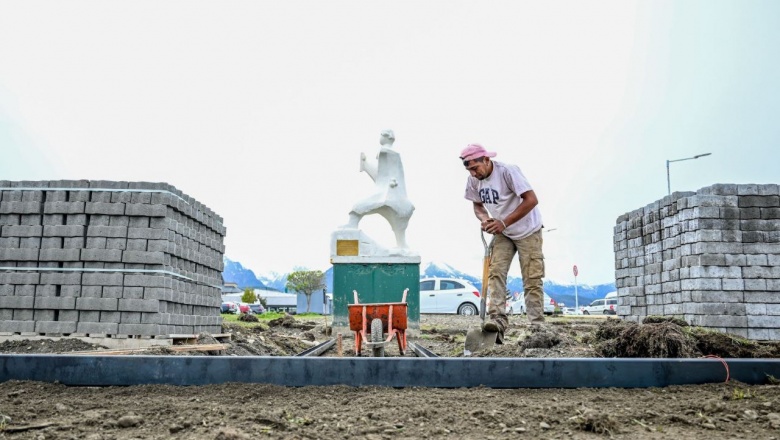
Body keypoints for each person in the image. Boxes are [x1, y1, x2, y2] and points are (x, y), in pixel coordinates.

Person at [460, 143, 545, 337]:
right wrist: (485, 219)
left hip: (528, 230)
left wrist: (504, 222)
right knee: (495, 273)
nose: (473, 173)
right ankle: (497, 320)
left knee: (532, 278)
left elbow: (531, 199)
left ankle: (537, 327)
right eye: (469, 169)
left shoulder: (508, 171)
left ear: (487, 160)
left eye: (475, 168)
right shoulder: (474, 180)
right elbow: (478, 206)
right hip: (503, 233)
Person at [343, 129, 415, 249]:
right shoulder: (389, 153)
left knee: (358, 208)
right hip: (391, 192)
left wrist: (392, 182)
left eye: (381, 135)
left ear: (386, 137)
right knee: (398, 227)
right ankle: (351, 228)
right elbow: (382, 177)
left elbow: (388, 175)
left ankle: (351, 226)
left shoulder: (388, 152)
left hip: (390, 193)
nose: (380, 137)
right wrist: (366, 166)